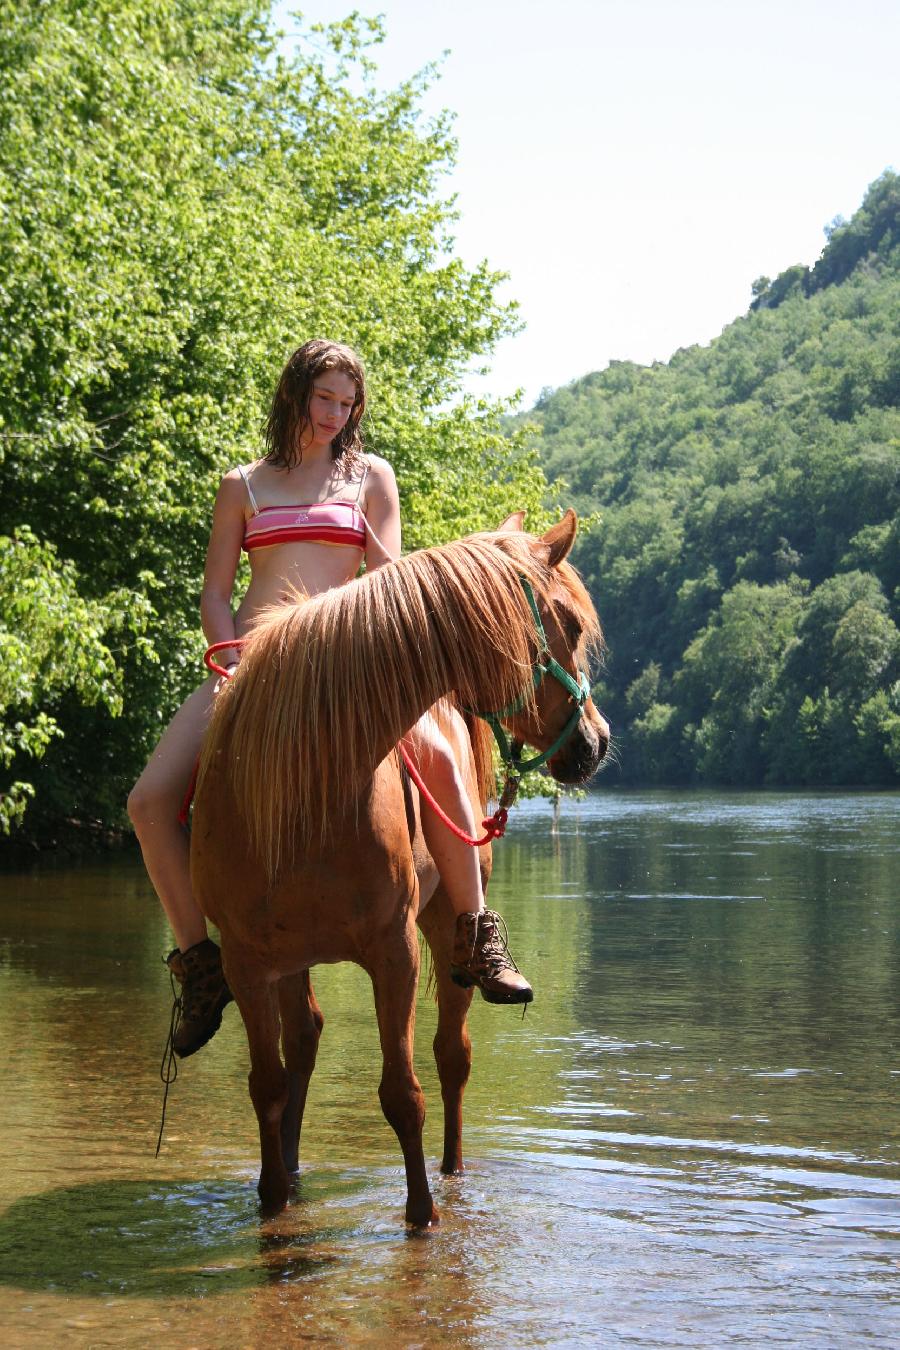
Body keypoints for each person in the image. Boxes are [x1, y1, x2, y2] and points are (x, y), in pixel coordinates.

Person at [128, 339, 532, 1059]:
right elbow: (216, 593)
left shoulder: (371, 477)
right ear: (295, 395)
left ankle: (475, 932)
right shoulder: (244, 485)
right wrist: (228, 665)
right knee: (148, 801)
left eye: (347, 404)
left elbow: (390, 581)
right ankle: (199, 964)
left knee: (442, 752)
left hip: (345, 675)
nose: (335, 416)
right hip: (252, 667)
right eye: (324, 399)